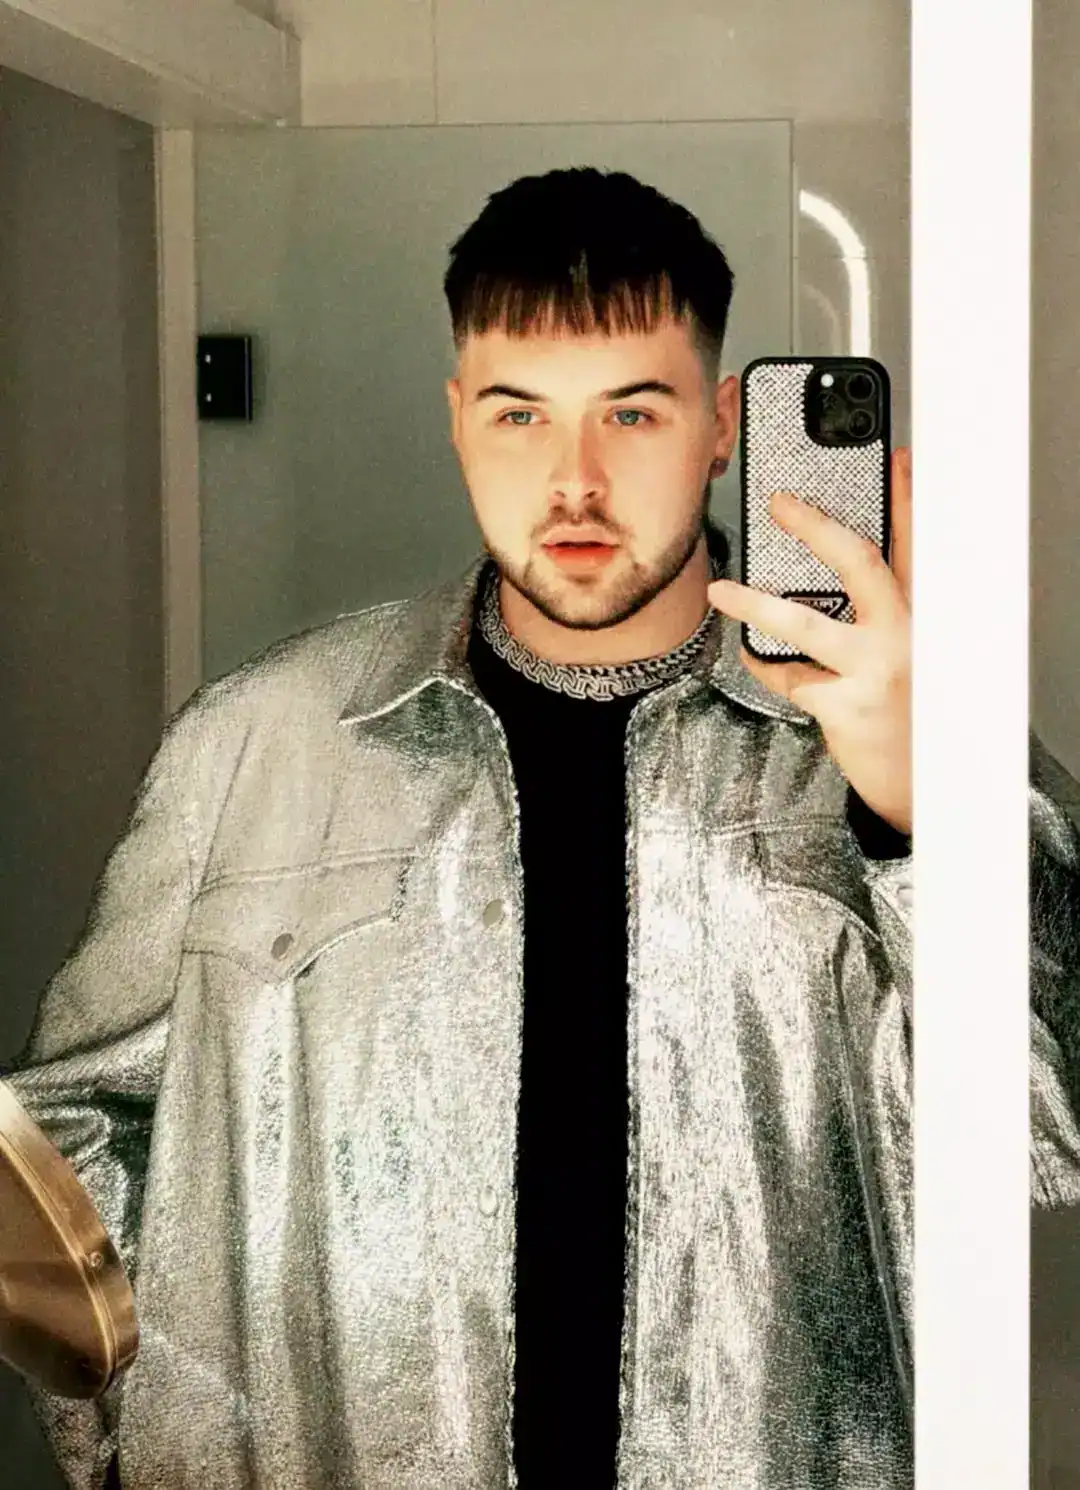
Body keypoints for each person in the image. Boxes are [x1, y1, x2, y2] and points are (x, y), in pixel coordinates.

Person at [4, 166, 1079, 1490]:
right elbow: (60, 1136)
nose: (575, 479)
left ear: (722, 427)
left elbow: (1058, 1130)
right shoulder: (254, 740)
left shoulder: (912, 731)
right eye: (520, 414)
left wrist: (933, 808)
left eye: (633, 411)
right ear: (458, 421)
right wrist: (148, 1444)